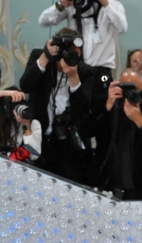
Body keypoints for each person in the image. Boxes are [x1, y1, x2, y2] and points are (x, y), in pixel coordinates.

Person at [19, 29, 99, 184]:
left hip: (71, 145)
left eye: (75, 52)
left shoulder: (87, 72)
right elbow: (25, 85)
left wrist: (73, 77)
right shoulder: (40, 57)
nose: (69, 56)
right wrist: (45, 57)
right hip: (41, 141)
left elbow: (83, 109)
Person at [83, 69, 142, 199]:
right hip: (106, 184)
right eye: (126, 88)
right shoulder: (108, 106)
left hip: (141, 187)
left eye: (135, 88)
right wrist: (107, 105)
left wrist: (140, 122)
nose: (131, 93)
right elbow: (86, 131)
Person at [38, 0, 127, 75]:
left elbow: (122, 28)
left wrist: (103, 1)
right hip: (75, 69)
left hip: (102, 72)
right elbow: (43, 21)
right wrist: (61, 5)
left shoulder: (113, 6)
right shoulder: (72, 3)